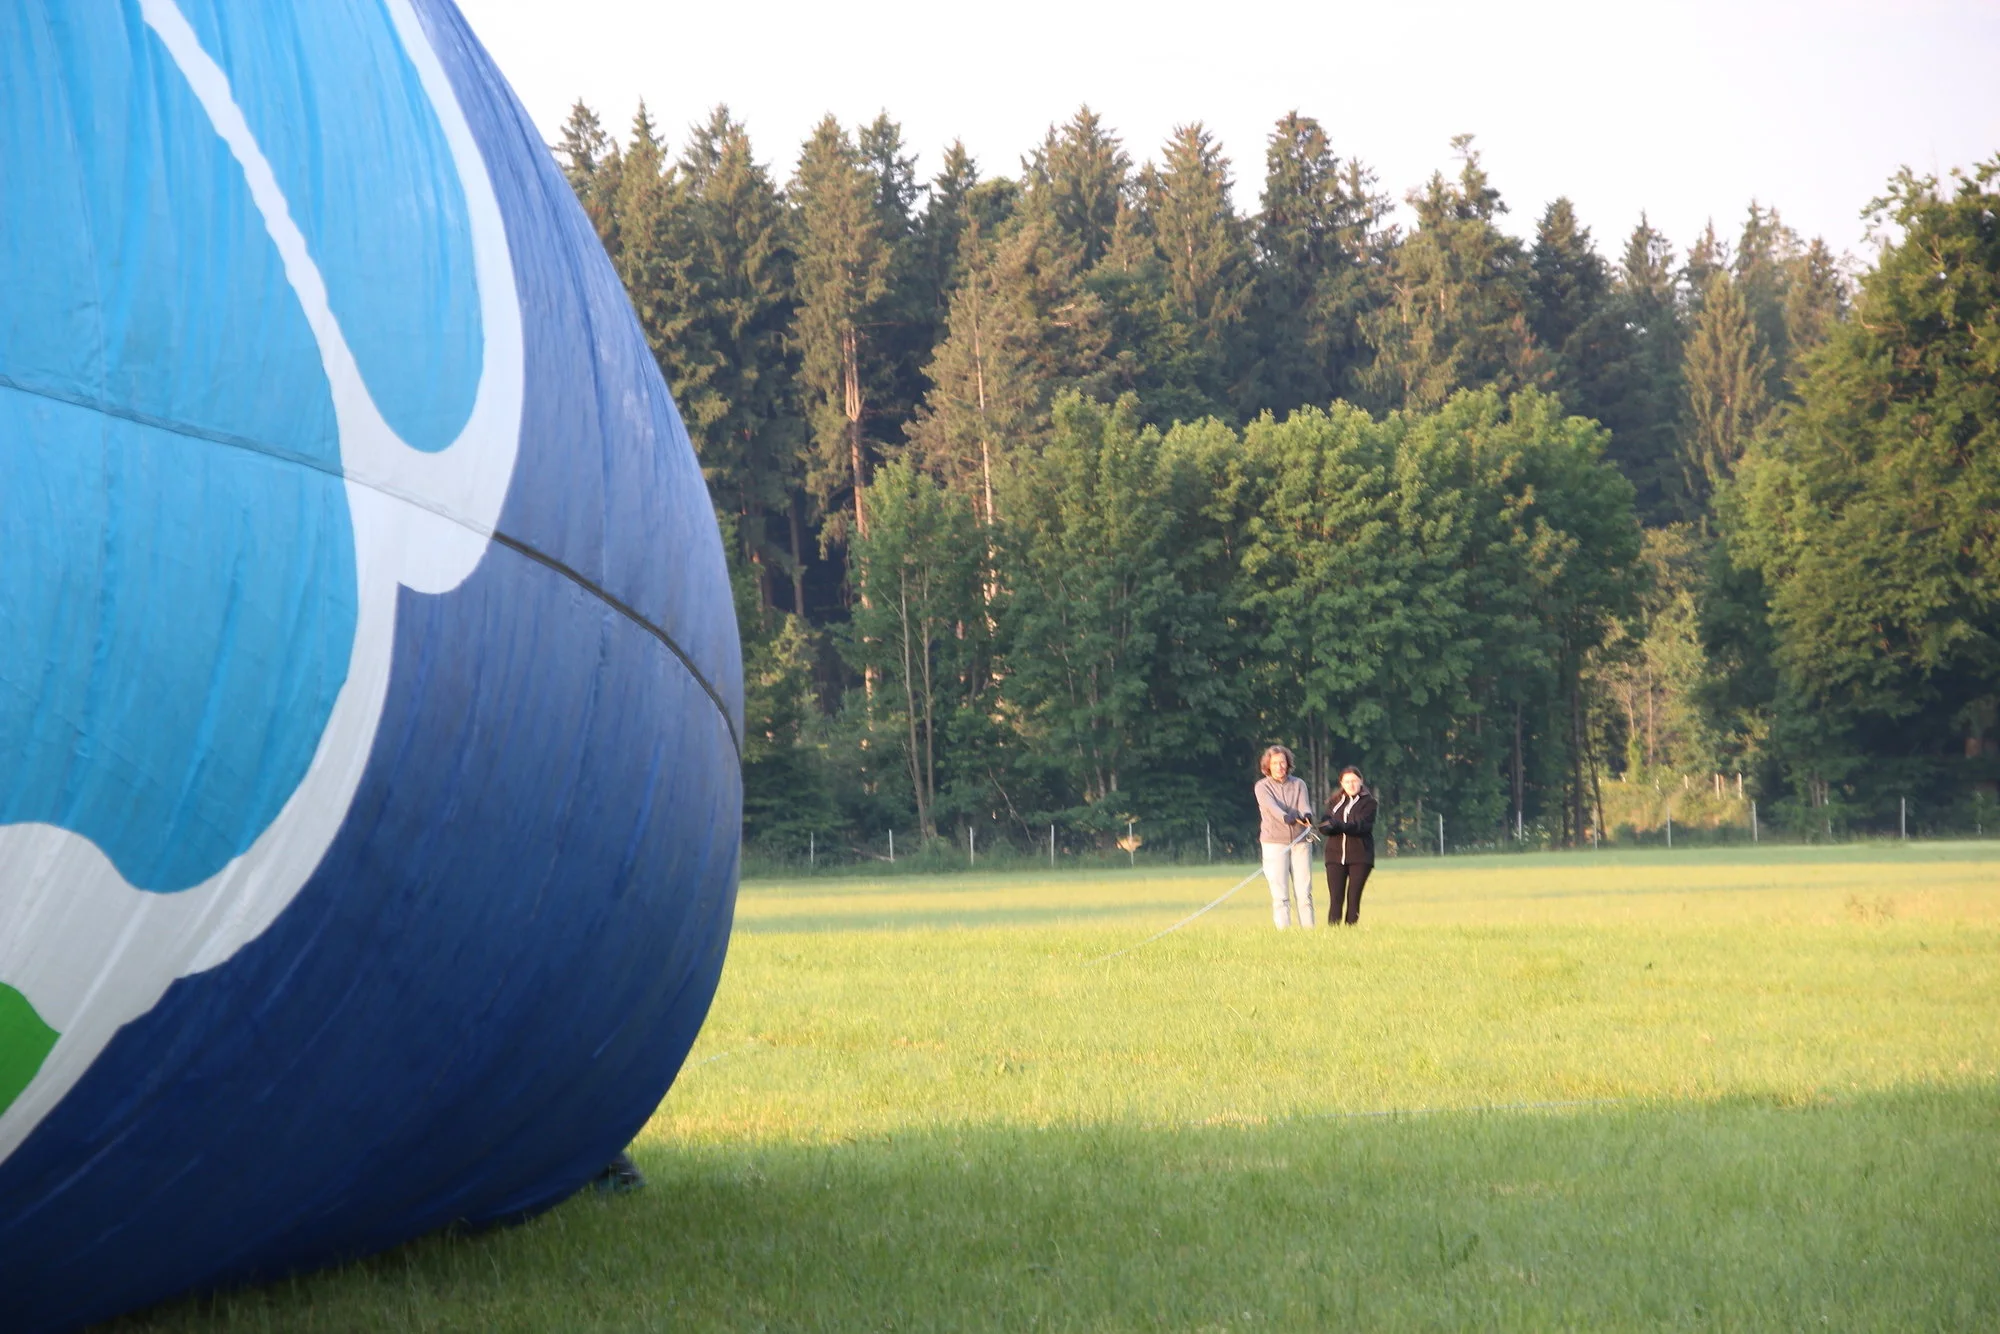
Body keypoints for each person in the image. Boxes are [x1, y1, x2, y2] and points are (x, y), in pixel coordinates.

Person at [1253, 745, 1317, 929]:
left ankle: (1309, 932)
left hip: (1300, 842)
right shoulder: (1262, 787)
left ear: (1288, 764)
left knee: (1304, 893)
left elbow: (1304, 805)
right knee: (1280, 894)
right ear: (1268, 766)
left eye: (1282, 762)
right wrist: (1285, 817)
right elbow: (1271, 807)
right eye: (1275, 763)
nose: (1279, 767)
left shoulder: (1299, 784)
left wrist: (1306, 815)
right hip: (1274, 844)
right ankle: (1284, 933)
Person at [1320, 765, 1377, 925]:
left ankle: (1351, 929)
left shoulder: (1369, 803)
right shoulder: (1334, 802)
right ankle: (1333, 931)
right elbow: (1325, 823)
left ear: (1361, 781)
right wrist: (1326, 827)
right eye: (1347, 782)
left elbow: (1362, 826)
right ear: (1341, 784)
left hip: (1360, 856)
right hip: (1334, 856)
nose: (1351, 785)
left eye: (1354, 781)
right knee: (1336, 898)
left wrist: (1338, 825)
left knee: (1353, 897)